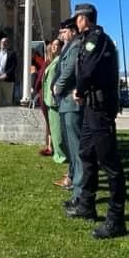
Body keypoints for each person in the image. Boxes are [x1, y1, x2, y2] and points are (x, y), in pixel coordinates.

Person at [65, 3, 127, 239]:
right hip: (92, 107)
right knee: (86, 154)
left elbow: (88, 70)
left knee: (110, 164)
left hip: (100, 108)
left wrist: (79, 91)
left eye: (77, 19)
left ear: (84, 19)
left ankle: (116, 219)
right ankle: (86, 205)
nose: (75, 23)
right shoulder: (89, 39)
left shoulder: (97, 39)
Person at [53, 18, 82, 192]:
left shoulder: (76, 45)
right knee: (69, 146)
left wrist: (58, 86)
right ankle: (72, 176)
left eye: (64, 32)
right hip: (64, 102)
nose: (61, 36)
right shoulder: (68, 47)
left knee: (75, 146)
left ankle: (79, 187)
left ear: (72, 31)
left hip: (71, 102)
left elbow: (69, 70)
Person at [42, 38, 67, 167]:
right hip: (48, 99)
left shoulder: (60, 60)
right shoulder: (52, 61)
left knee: (57, 129)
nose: (54, 47)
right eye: (53, 45)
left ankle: (61, 155)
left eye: (57, 45)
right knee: (53, 128)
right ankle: (57, 152)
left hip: (55, 99)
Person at [0, 37, 17, 107]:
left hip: (8, 81)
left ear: (8, 44)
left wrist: (6, 74)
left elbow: (14, 66)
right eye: (2, 42)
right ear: (0, 44)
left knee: (8, 103)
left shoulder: (12, 53)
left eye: (5, 42)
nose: (4, 43)